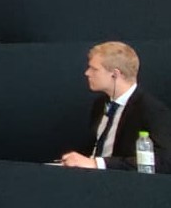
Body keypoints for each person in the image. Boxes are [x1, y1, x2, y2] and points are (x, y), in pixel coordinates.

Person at [60, 42, 171, 172]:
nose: (87, 73)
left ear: (115, 74)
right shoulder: (100, 104)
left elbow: (164, 161)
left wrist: (98, 164)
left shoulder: (152, 111)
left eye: (94, 69)